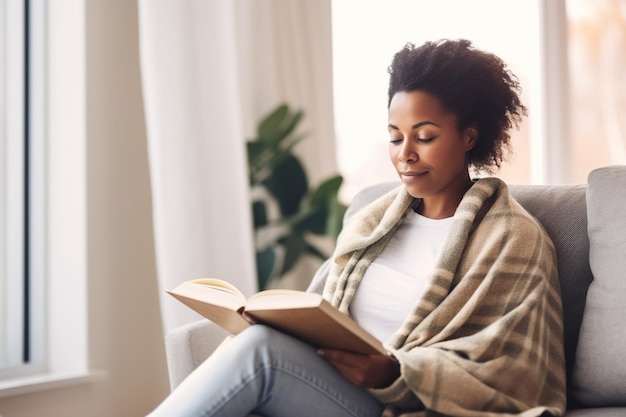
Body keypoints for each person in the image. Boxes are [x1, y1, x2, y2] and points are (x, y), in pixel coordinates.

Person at [147, 39, 566, 417]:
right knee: (257, 342)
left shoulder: (513, 237)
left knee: (260, 354)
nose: (406, 155)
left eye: (424, 136)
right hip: (329, 385)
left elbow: (517, 372)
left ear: (469, 136)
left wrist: (397, 372)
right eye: (395, 137)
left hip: (398, 402)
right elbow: (322, 309)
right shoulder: (372, 222)